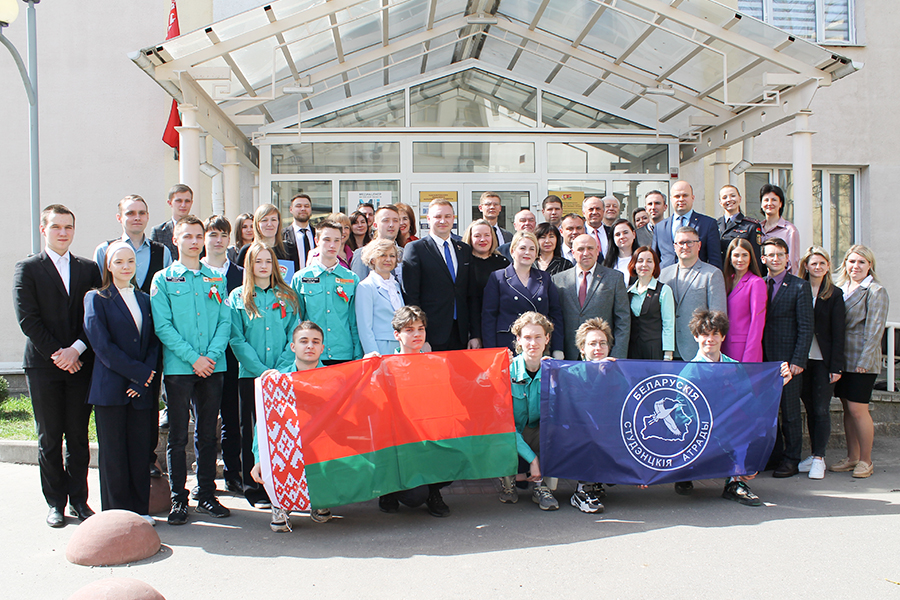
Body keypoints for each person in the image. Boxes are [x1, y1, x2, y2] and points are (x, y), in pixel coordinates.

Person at [14, 205, 102, 528]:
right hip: (43, 365)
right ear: (43, 229)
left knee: (78, 436)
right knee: (50, 437)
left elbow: (95, 316)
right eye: (56, 227)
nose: (63, 233)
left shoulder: (89, 269)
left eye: (68, 227)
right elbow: (28, 319)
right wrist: (59, 354)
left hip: (80, 363)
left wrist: (76, 349)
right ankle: (55, 503)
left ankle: (79, 500)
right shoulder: (28, 268)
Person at [150, 215, 233, 525]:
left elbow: (225, 321)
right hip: (179, 368)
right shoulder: (163, 279)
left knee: (208, 434)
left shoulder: (216, 278)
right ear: (175, 240)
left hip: (213, 366)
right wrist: (193, 358)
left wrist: (210, 356)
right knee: (177, 437)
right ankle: (178, 499)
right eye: (187, 236)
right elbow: (163, 326)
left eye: (199, 236)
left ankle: (207, 495)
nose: (194, 241)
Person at [83, 242, 159, 523]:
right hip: (110, 389)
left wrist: (143, 379)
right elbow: (102, 346)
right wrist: (138, 373)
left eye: (130, 261)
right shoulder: (96, 298)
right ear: (108, 265)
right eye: (119, 262)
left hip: (141, 389)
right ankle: (116, 516)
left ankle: (140, 511)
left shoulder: (145, 299)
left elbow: (153, 343)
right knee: (113, 455)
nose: (126, 266)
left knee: (139, 452)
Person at [687, 310, 792, 506]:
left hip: (729, 428)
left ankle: (735, 481)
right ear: (696, 337)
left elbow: (751, 403)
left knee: (751, 425)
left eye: (715, 334)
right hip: (702, 431)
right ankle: (686, 473)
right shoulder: (689, 372)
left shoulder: (735, 367)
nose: (710, 339)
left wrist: (778, 383)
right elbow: (681, 415)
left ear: (723, 336)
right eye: (704, 334)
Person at [93, 194, 172, 440]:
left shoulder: (162, 252)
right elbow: (101, 301)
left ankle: (147, 457)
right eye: (130, 213)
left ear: (147, 217)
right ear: (120, 217)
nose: (136, 217)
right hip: (114, 360)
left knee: (144, 430)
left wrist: (146, 370)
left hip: (147, 350)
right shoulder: (105, 249)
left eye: (141, 212)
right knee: (115, 441)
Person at [229, 242, 300, 507]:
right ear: (249, 265)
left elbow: (294, 334)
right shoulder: (238, 297)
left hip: (283, 375)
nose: (263, 266)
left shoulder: (288, 295)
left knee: (282, 431)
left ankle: (282, 486)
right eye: (258, 261)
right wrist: (262, 370)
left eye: (268, 261)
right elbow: (236, 339)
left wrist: (279, 369)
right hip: (251, 375)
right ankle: (255, 490)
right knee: (251, 432)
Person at [250, 321, 333, 532]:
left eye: (315, 342)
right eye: (304, 341)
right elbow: (263, 426)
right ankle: (280, 504)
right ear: (293, 346)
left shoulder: (334, 379)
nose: (310, 346)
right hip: (291, 448)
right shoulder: (277, 380)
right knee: (279, 443)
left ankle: (321, 498)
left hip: (321, 446)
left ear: (322, 348)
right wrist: (260, 459)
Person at [377, 306, 452, 517]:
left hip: (428, 437)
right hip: (399, 444)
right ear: (397, 335)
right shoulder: (383, 366)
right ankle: (389, 489)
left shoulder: (436, 364)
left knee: (455, 458)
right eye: (409, 330)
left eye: (421, 328)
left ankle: (434, 491)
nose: (417, 334)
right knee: (414, 497)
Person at [830, 245, 889, 478]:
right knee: (847, 408)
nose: (856, 266)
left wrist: (864, 360)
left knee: (858, 409)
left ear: (870, 265)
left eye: (861, 262)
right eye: (852, 261)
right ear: (845, 263)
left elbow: (875, 330)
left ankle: (866, 461)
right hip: (842, 358)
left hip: (861, 360)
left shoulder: (875, 291)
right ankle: (852, 457)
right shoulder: (841, 288)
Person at [760, 237, 814, 478]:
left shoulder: (799, 286)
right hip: (763, 361)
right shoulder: (760, 284)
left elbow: (806, 327)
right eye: (771, 255)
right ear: (763, 259)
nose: (776, 258)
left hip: (788, 361)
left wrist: (798, 361)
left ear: (787, 258)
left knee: (790, 413)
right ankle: (774, 456)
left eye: (780, 254)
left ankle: (792, 459)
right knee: (769, 412)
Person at [200, 216, 244, 495]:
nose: (218, 240)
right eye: (213, 234)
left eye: (224, 235)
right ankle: (204, 479)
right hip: (202, 357)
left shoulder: (241, 274)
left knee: (231, 417)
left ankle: (232, 473)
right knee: (204, 422)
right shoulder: (195, 272)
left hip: (234, 355)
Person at [401, 199, 481, 351]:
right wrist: (421, 337)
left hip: (461, 334)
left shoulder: (463, 249)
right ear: (428, 219)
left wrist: (475, 334)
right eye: (438, 216)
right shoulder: (416, 248)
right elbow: (411, 296)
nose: (443, 221)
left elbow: (471, 295)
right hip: (431, 333)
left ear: (453, 218)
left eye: (447, 216)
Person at [499, 312, 559, 510]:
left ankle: (543, 488)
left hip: (539, 432)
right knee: (499, 435)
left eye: (538, 337)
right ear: (518, 339)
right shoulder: (505, 371)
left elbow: (583, 377)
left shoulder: (556, 371)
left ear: (547, 338)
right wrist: (532, 459)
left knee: (558, 432)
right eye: (527, 337)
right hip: (512, 433)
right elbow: (505, 425)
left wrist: (602, 366)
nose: (533, 343)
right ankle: (508, 483)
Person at [797, 247, 845, 480]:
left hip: (823, 361)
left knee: (820, 409)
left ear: (827, 267)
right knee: (809, 407)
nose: (817, 267)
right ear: (806, 266)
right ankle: (814, 454)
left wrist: (836, 366)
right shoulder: (798, 289)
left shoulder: (835, 294)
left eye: (822, 263)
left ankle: (819, 458)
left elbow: (839, 333)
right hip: (801, 360)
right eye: (813, 263)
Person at [482, 231, 564, 355]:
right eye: (522, 248)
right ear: (512, 251)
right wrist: (491, 351)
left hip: (537, 345)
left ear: (536, 254)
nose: (527, 252)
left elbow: (556, 314)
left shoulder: (545, 278)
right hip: (507, 344)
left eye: (532, 249)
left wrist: (558, 348)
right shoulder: (498, 278)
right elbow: (489, 317)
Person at [292, 220, 362, 363]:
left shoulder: (352, 278)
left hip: (343, 353)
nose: (332, 245)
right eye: (327, 239)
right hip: (311, 355)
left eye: (337, 240)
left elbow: (354, 321)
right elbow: (295, 320)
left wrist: (358, 355)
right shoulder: (301, 278)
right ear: (316, 241)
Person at [553, 234, 630, 360]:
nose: (586, 253)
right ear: (573, 252)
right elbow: (555, 318)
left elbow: (623, 321)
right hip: (568, 354)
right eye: (581, 249)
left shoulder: (614, 278)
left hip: (603, 354)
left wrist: (617, 356)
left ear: (597, 250)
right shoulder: (558, 280)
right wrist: (557, 350)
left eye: (590, 248)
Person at [569, 317, 617, 513]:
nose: (598, 348)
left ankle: (599, 480)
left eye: (602, 343)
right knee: (589, 432)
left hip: (608, 428)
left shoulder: (618, 372)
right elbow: (587, 408)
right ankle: (582, 491)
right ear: (582, 348)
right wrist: (601, 376)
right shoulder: (573, 373)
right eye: (592, 343)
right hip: (579, 428)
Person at [658, 226, 727, 361]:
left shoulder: (712, 274)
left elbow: (718, 317)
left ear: (699, 245)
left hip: (698, 351)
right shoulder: (663, 275)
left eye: (690, 242)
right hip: (668, 350)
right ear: (674, 247)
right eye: (681, 243)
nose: (685, 247)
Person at [653, 181, 722, 269]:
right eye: (677, 196)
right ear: (671, 199)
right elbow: (654, 258)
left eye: (685, 195)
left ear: (692, 198)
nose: (681, 199)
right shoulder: (660, 227)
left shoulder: (708, 224)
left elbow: (715, 260)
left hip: (697, 275)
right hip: (666, 275)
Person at [355, 239, 404, 355]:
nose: (388, 259)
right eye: (383, 255)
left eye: (392, 256)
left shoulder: (396, 285)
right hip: (380, 347)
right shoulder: (366, 286)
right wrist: (373, 355)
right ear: (372, 259)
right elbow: (364, 328)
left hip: (399, 345)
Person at [721, 238, 766, 362]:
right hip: (723, 346)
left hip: (744, 349)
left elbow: (757, 322)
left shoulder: (756, 283)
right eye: (736, 255)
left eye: (745, 255)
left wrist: (749, 357)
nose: (740, 259)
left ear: (751, 257)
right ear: (729, 258)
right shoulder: (726, 280)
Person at [626, 247, 675, 361]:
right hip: (632, 351)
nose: (644, 265)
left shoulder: (664, 290)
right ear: (634, 265)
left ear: (655, 265)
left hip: (655, 351)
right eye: (640, 261)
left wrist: (668, 354)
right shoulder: (627, 292)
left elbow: (668, 324)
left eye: (649, 261)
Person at [463, 219, 509, 331]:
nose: (483, 239)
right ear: (470, 238)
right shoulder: (463, 263)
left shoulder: (503, 262)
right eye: (477, 236)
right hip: (469, 324)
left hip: (498, 324)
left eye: (487, 235)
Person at [237, 204, 293, 282]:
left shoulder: (290, 248)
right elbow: (240, 281)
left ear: (279, 223)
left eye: (273, 220)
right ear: (257, 224)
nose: (269, 224)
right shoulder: (247, 250)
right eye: (264, 220)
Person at [716, 185, 762, 269]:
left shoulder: (751, 226)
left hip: (740, 272)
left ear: (740, 199)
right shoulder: (714, 224)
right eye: (725, 197)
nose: (729, 199)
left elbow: (755, 258)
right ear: (720, 202)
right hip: (719, 272)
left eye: (733, 196)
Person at [351, 205, 402, 280]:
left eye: (395, 220)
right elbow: (359, 283)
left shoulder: (404, 253)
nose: (391, 225)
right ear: (375, 225)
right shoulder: (362, 254)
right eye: (386, 220)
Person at [759, 184, 800, 273]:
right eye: (766, 200)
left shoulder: (789, 230)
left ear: (780, 204)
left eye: (774, 200)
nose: (770, 203)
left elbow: (793, 263)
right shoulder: (756, 228)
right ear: (761, 204)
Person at [150, 184, 193, 260]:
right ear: (170, 203)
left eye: (187, 201)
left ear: (191, 203)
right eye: (179, 201)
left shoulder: (200, 230)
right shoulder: (158, 231)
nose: (183, 205)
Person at [282, 194, 316, 272]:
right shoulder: (282, 235)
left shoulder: (319, 234)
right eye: (298, 206)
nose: (303, 209)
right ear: (291, 209)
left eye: (306, 206)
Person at [603, 218, 640, 283]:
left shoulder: (642, 259)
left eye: (625, 232)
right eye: (618, 234)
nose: (622, 237)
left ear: (634, 234)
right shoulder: (606, 264)